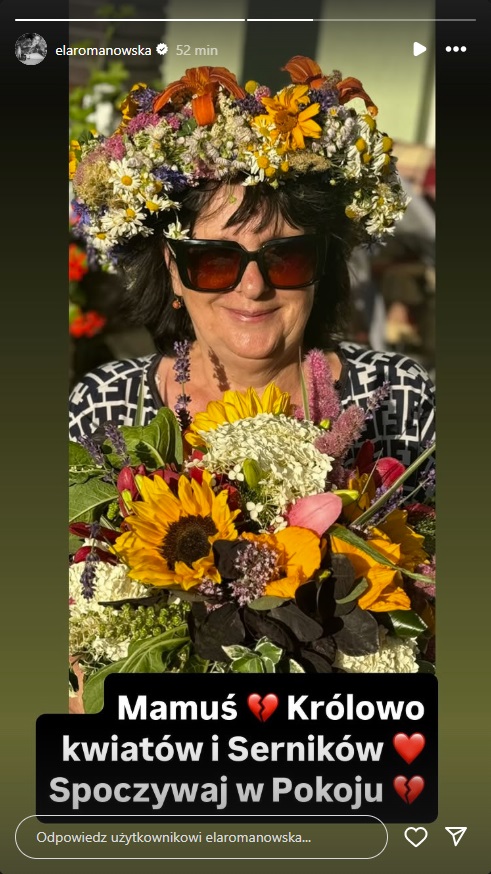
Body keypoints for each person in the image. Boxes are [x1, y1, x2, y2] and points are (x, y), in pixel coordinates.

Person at [69, 56, 435, 476]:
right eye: (215, 259)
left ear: (322, 265)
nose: (254, 286)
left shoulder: (398, 399)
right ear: (173, 269)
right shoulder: (104, 406)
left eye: (285, 256)